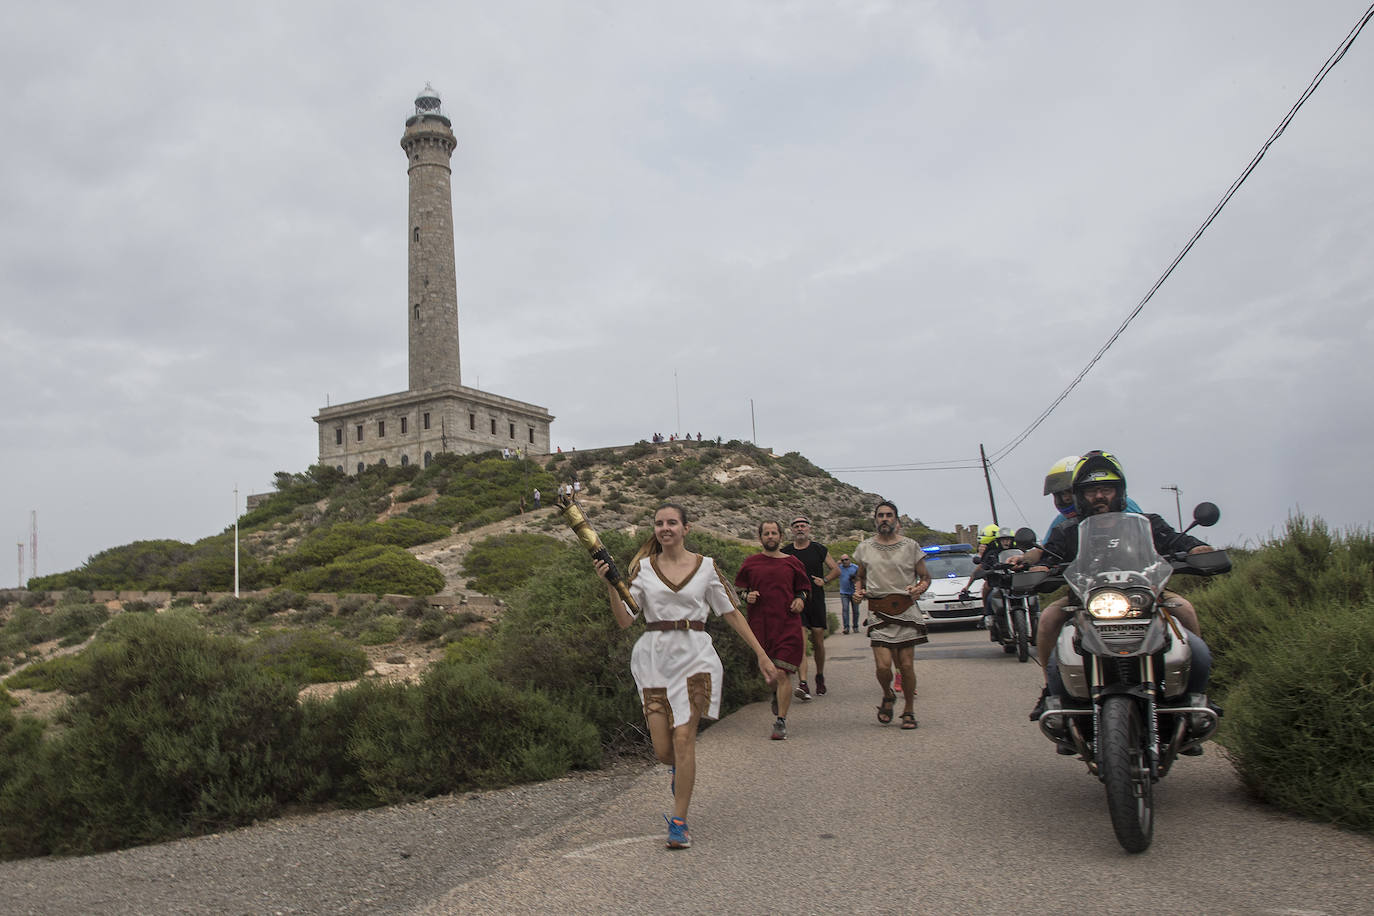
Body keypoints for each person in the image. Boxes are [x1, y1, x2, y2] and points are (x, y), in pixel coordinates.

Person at [592, 504, 779, 849]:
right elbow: (625, 620)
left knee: (684, 740)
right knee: (665, 751)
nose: (666, 528)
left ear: (686, 528)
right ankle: (679, 771)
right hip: (653, 660)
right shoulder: (643, 570)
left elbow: (732, 614)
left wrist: (762, 655)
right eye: (660, 523)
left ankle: (679, 821)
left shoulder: (706, 567)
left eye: (672, 523)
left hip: (696, 657)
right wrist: (609, 587)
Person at [1013, 452, 1216, 721]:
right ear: (1080, 496)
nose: (1099, 496)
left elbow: (1176, 541)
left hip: (1146, 596)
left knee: (1187, 612)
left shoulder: (1148, 523)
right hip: (1084, 601)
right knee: (1049, 619)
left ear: (1119, 492)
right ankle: (1052, 693)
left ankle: (1196, 699)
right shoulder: (1069, 531)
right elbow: (1051, 557)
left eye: (1106, 489)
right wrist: (1041, 568)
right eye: (1091, 490)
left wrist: (1196, 548)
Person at [853, 500, 932, 729]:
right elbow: (859, 576)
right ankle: (887, 694)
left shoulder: (911, 546)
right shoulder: (865, 548)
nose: (884, 519)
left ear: (896, 519)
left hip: (906, 611)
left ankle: (908, 710)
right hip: (879, 613)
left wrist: (919, 588)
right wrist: (859, 592)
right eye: (880, 515)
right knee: (883, 667)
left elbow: (925, 577)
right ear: (875, 520)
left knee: (906, 666)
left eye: (889, 515)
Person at [735, 520, 811, 739]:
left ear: (780, 537)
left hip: (788, 625)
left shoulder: (793, 563)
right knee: (771, 676)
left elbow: (804, 589)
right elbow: (738, 590)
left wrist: (800, 599)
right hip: (760, 627)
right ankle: (777, 695)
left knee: (781, 673)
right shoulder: (751, 563)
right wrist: (746, 596)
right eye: (766, 533)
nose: (770, 536)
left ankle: (781, 722)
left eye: (774, 533)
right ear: (760, 538)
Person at [781, 516, 839, 699]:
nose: (800, 528)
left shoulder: (818, 549)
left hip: (816, 599)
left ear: (808, 529)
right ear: (792, 530)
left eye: (803, 526)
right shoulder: (786, 552)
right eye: (796, 526)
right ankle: (803, 683)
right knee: (801, 641)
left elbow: (836, 569)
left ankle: (819, 675)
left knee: (818, 641)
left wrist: (825, 580)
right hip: (797, 601)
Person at [1041, 454, 1142, 543]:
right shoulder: (1063, 522)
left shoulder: (1123, 505)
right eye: (1059, 494)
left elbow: (1143, 531)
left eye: (1069, 492)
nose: (1066, 499)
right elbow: (1049, 549)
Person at [836, 553, 861, 634]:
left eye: (846, 559)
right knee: (845, 610)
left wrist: (855, 580)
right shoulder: (839, 568)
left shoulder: (855, 567)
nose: (845, 561)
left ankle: (855, 626)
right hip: (844, 593)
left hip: (854, 592)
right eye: (843, 560)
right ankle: (846, 627)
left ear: (849, 559)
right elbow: (833, 572)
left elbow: (861, 577)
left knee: (856, 611)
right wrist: (836, 564)